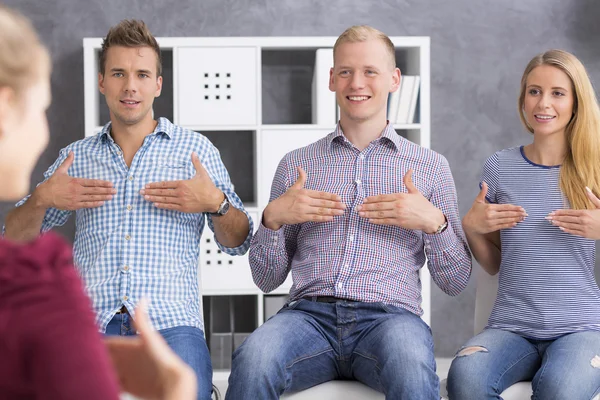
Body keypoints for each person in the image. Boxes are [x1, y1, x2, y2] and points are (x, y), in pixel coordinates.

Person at [4, 18, 253, 400]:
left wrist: (215, 203)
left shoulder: (196, 152)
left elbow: (239, 242)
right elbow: (13, 242)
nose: (130, 86)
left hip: (173, 325)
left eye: (142, 74)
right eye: (119, 73)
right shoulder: (76, 157)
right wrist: (41, 199)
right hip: (89, 323)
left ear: (158, 84)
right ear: (102, 81)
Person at [226, 25, 472, 400]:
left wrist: (434, 224)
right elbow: (266, 279)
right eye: (345, 71)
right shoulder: (297, 164)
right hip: (308, 317)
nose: (357, 82)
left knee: (410, 365)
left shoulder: (430, 167)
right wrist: (272, 220)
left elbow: (455, 283)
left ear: (394, 80)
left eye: (370, 71)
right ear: (331, 79)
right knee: (254, 359)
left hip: (390, 320)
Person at [447, 49, 600, 399]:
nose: (543, 103)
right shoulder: (499, 167)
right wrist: (472, 227)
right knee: (466, 379)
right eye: (534, 91)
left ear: (576, 102)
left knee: (559, 390)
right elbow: (495, 263)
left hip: (581, 328)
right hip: (510, 327)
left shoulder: (595, 167)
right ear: (523, 98)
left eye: (557, 93)